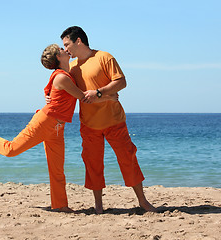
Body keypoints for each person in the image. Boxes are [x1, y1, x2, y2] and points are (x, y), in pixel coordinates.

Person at [0, 44, 117, 213]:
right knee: (11, 150)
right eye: (62, 50)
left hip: (58, 127)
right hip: (45, 121)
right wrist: (108, 96)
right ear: (58, 57)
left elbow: (51, 91)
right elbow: (82, 97)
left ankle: (60, 204)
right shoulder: (62, 77)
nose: (65, 50)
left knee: (57, 169)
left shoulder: (66, 74)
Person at [59, 26, 157, 213]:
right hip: (88, 124)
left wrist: (99, 92)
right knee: (92, 164)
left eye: (67, 44)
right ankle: (98, 206)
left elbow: (121, 82)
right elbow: (62, 89)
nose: (65, 50)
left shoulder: (104, 57)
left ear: (78, 41)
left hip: (114, 120)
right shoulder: (71, 67)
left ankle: (143, 201)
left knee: (128, 159)